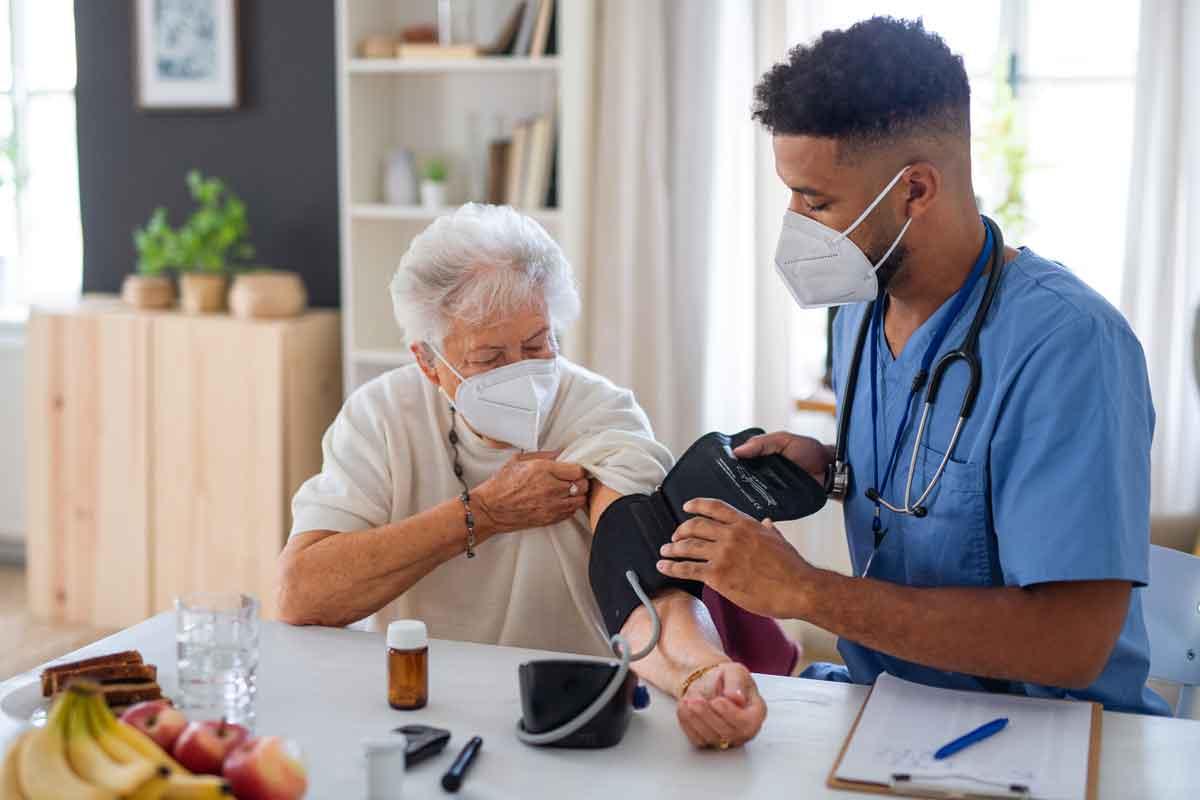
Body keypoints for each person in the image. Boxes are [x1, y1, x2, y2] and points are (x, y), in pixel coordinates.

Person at [658, 17, 1168, 715]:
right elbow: (943, 479)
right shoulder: (861, 307)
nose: (794, 222)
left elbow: (1072, 643)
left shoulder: (1070, 347)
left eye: (816, 200)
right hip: (885, 708)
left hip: (1050, 735)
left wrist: (808, 592)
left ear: (916, 191)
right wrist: (834, 470)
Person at [278, 203, 768, 746]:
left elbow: (645, 587)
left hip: (569, 710)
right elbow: (303, 595)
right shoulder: (381, 417)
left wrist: (700, 674)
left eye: (537, 345)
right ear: (428, 361)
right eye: (489, 358)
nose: (521, 373)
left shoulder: (602, 415)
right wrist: (482, 514)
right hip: (422, 706)